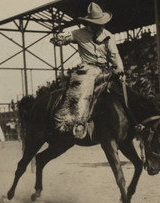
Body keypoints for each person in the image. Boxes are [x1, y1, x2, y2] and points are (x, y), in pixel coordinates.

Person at [51, 2, 125, 139]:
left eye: (101, 23)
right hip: (88, 69)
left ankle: (131, 121)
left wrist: (120, 68)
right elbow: (65, 38)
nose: (100, 26)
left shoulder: (109, 35)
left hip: (107, 69)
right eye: (97, 23)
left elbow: (115, 56)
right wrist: (59, 39)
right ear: (90, 23)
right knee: (83, 91)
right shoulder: (79, 34)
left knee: (123, 89)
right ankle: (78, 123)